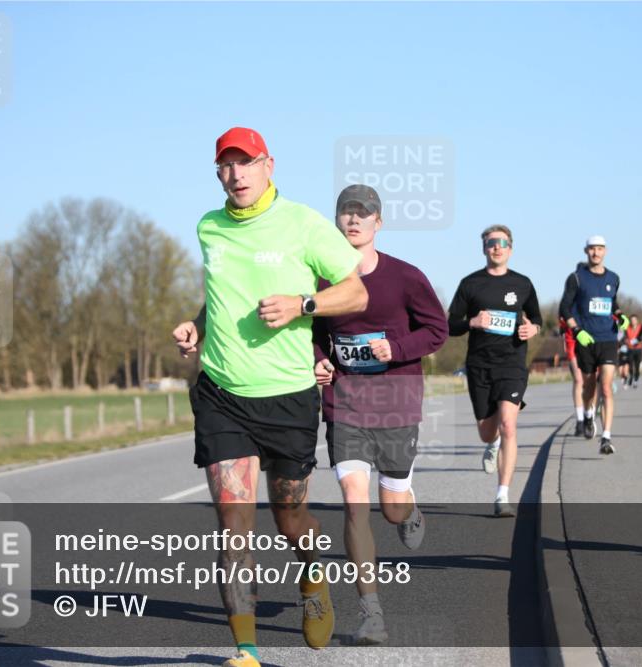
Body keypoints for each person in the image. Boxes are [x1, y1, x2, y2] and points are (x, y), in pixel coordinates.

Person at [172, 127, 368, 667]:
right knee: (234, 525)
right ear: (218, 173)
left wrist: (303, 304)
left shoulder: (303, 224)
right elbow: (220, 296)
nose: (236, 174)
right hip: (222, 394)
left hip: (288, 397)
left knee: (290, 519)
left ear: (268, 165)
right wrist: (197, 326)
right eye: (226, 165)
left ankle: (312, 574)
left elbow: (356, 292)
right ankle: (246, 651)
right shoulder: (209, 227)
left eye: (246, 162)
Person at [312, 184, 447, 644]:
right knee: (354, 503)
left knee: (391, 509)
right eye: (346, 213)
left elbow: (437, 330)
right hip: (345, 403)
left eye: (363, 213)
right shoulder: (322, 281)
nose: (354, 220)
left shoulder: (405, 277)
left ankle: (408, 509)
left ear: (378, 222)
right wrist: (319, 360)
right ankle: (371, 612)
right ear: (336, 221)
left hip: (396, 403)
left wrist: (397, 348)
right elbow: (312, 331)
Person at [448, 225, 542, 516]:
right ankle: (494, 442)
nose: (497, 247)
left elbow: (537, 319)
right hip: (479, 365)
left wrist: (533, 329)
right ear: (484, 249)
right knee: (486, 433)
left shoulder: (523, 284)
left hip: (512, 363)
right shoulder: (470, 284)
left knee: (509, 424)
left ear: (510, 248)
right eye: (491, 243)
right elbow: (450, 324)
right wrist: (472, 323)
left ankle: (502, 495)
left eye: (502, 242)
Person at [559, 235, 626, 455]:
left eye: (600, 249)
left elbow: (612, 302)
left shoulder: (614, 278)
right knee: (589, 386)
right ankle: (588, 415)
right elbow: (564, 308)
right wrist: (577, 331)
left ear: (605, 251)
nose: (596, 253)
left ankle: (606, 437)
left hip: (608, 338)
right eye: (592, 249)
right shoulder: (576, 278)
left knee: (606, 386)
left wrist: (620, 315)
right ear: (586, 251)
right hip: (586, 339)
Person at [560, 316, 586, 436]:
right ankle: (580, 420)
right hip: (572, 343)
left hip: (589, 340)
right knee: (578, 380)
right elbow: (562, 327)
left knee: (590, 380)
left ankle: (589, 414)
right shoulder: (566, 307)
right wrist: (564, 342)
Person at [624, 315, 642, 389]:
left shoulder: (641, 327)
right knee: (630, 365)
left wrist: (641, 340)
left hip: (638, 349)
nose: (633, 321)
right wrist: (626, 341)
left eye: (634, 320)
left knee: (637, 365)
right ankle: (631, 376)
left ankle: (636, 380)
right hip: (630, 349)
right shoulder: (627, 328)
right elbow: (625, 338)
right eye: (632, 320)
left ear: (637, 321)